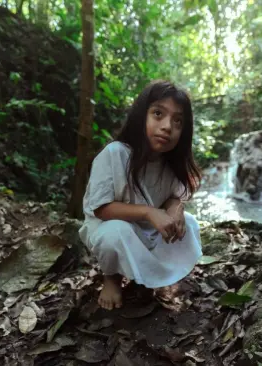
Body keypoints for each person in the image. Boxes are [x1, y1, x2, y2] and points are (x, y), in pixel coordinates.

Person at [78, 80, 203, 310]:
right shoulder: (116, 154)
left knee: (190, 225)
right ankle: (112, 278)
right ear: (140, 115)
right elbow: (101, 209)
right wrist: (149, 212)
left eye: (177, 121)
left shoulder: (170, 163)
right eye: (158, 114)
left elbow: (174, 197)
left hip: (146, 230)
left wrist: (176, 211)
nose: (167, 126)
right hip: (110, 227)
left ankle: (147, 279)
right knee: (116, 232)